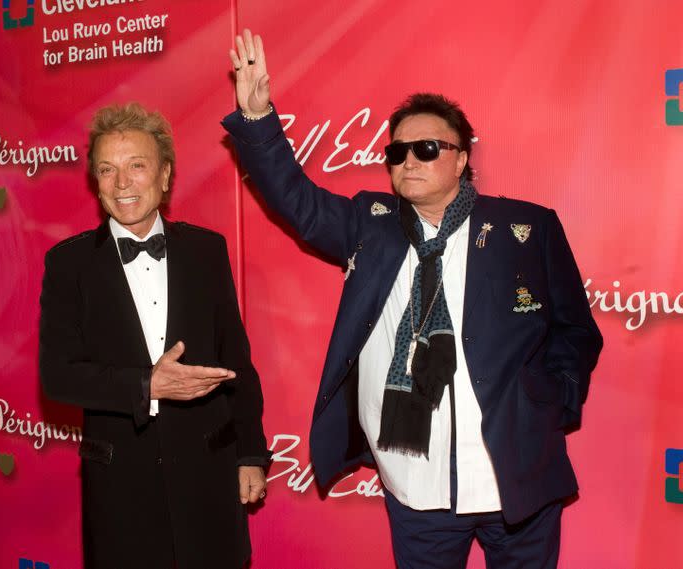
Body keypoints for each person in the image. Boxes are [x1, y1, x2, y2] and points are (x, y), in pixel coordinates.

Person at [223, 30, 602, 569]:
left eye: (427, 148)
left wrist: (554, 399)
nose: (409, 160)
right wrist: (258, 121)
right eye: (397, 151)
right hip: (416, 488)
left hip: (515, 476)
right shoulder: (368, 224)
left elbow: (576, 329)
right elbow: (296, 200)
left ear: (461, 157)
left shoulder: (528, 228)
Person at [39, 102, 270, 569]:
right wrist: (146, 385)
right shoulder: (69, 264)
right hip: (121, 488)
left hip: (210, 476)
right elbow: (58, 377)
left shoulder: (207, 251)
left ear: (165, 176)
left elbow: (237, 363)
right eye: (108, 170)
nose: (122, 183)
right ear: (95, 182)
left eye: (136, 166)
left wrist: (250, 453)